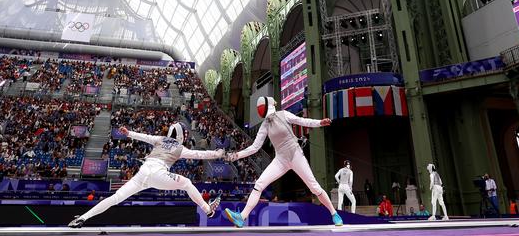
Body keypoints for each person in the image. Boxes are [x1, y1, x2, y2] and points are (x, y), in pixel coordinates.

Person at [68, 122, 224, 228]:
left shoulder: (160, 139)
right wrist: (217, 153)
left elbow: (143, 136)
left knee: (115, 198)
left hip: (142, 173)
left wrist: (128, 133)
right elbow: (199, 154)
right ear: (182, 135)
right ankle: (208, 210)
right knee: (187, 183)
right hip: (159, 173)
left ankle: (83, 217)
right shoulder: (180, 148)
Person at [222, 96, 342, 228]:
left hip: (296, 156)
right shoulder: (265, 125)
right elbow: (255, 147)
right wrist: (237, 155)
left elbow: (302, 121)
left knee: (314, 187)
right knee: (259, 184)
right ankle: (242, 217)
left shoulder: (283, 114)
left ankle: (334, 213)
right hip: (280, 160)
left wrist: (319, 122)